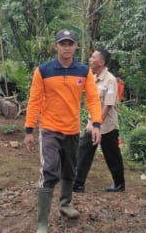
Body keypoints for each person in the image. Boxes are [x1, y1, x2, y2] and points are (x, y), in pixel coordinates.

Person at [23, 30, 102, 233]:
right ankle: (42, 221)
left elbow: (93, 99)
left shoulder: (84, 72)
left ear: (76, 46)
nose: (67, 47)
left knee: (70, 168)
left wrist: (96, 124)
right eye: (62, 43)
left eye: (70, 43)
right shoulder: (43, 71)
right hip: (49, 129)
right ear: (56, 46)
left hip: (72, 129)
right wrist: (29, 129)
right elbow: (34, 100)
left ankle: (65, 203)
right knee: (49, 168)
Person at [73, 48, 125, 193]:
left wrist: (97, 124)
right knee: (83, 151)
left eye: (93, 57)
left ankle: (119, 183)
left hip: (107, 125)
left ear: (101, 62)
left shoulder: (111, 80)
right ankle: (78, 184)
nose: (90, 59)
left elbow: (108, 105)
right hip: (94, 124)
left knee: (112, 155)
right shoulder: (91, 77)